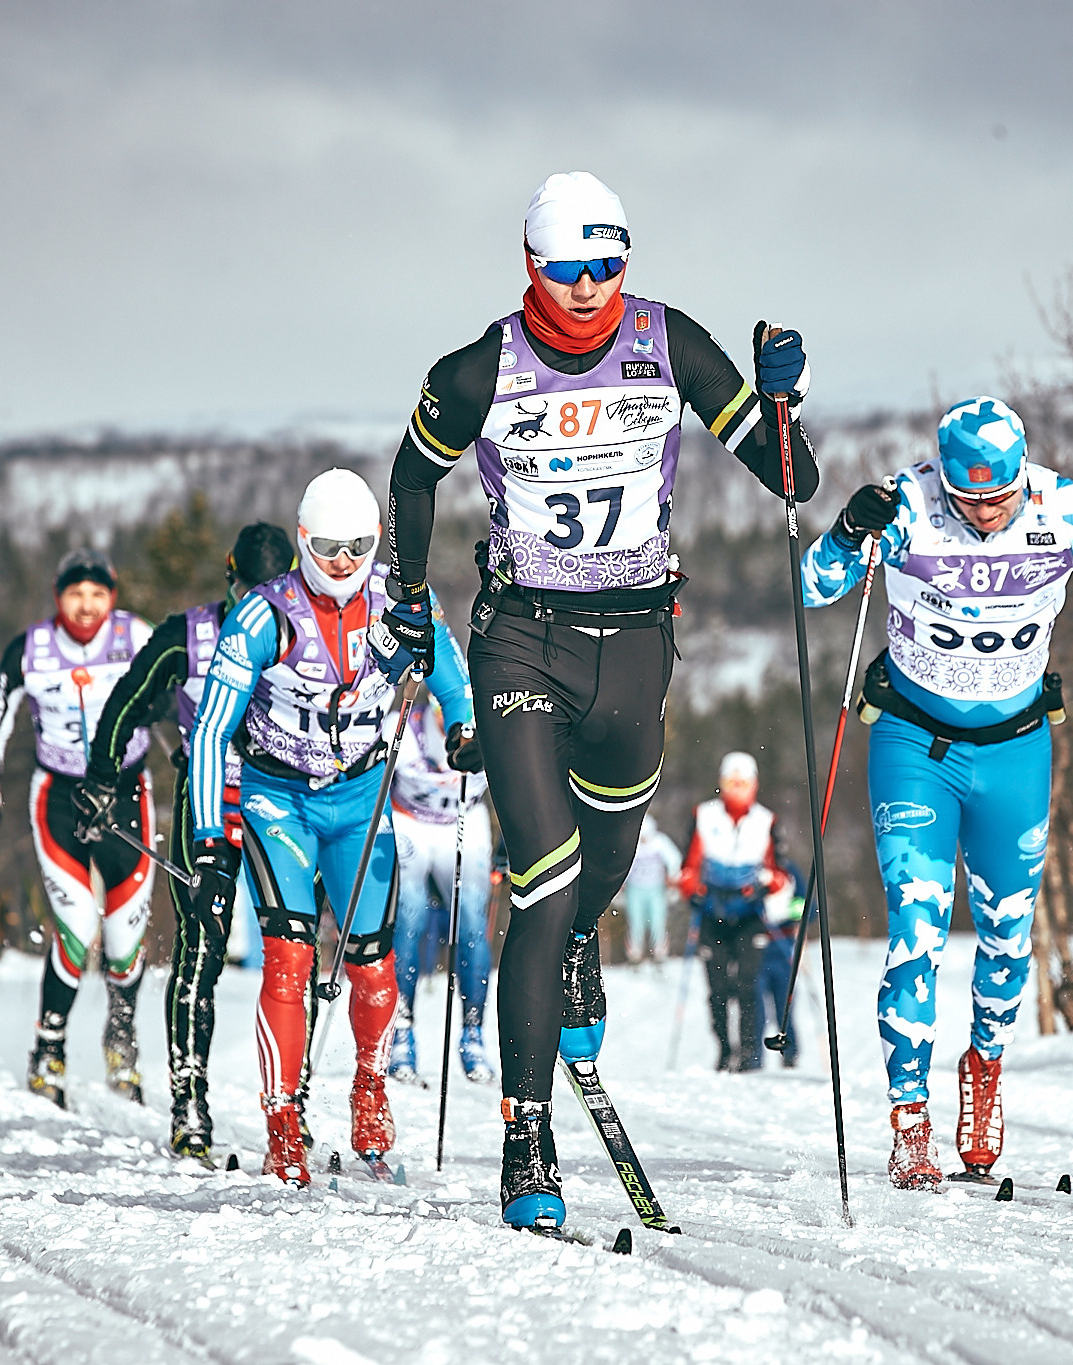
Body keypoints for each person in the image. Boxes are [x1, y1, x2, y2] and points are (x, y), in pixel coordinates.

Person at [377, 169, 819, 1231]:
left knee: (604, 864)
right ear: (529, 263)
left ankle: (580, 951)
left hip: (633, 644)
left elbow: (790, 480)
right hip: (520, 641)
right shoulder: (477, 366)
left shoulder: (669, 342)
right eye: (566, 267)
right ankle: (524, 1141)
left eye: (606, 264)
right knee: (542, 878)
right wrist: (403, 594)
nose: (587, 287)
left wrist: (778, 401)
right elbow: (408, 475)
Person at [802, 396, 1073, 1189]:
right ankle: (911, 1120)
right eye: (969, 501)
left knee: (1005, 938)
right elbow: (815, 587)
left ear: (1021, 475)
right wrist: (851, 531)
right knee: (916, 930)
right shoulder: (908, 506)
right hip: (913, 747)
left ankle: (984, 1071)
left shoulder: (1064, 506)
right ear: (945, 482)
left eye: (999, 498)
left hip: (1014, 754)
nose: (986, 515)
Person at [184, 469, 474, 1188]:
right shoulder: (262, 615)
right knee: (288, 956)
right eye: (328, 546)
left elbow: (445, 666)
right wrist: (205, 834)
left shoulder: (399, 601)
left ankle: (369, 1085)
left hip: (360, 796)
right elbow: (211, 730)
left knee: (372, 963)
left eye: (359, 545)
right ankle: (283, 1116)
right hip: (278, 795)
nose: (344, 561)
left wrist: (463, 723)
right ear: (303, 541)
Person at [71, 522, 297, 1163]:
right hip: (209, 805)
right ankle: (188, 1102)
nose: (262, 605)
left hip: (285, 802)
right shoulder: (190, 636)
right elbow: (125, 704)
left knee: (292, 950)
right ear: (232, 581)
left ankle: (290, 1103)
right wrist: (102, 775)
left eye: (273, 592)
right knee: (201, 949)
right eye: (250, 590)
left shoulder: (307, 627)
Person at [0, 548, 155, 1108]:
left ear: (113, 597)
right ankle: (48, 1048)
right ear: (58, 597)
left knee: (124, 942)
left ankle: (120, 1037)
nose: (86, 606)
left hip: (126, 791)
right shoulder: (30, 648)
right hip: (59, 797)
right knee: (75, 930)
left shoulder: (137, 636)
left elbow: (181, 698)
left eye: (98, 594)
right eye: (75, 594)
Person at [385, 682, 495, 1086]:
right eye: (444, 715)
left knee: (470, 925)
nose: (455, 727)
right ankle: (401, 1030)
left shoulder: (491, 730)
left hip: (464, 823)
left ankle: (472, 1032)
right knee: (409, 918)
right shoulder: (404, 730)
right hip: (410, 822)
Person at [678, 752, 792, 1073]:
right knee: (717, 990)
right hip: (713, 912)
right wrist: (694, 892)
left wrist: (766, 884)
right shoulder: (704, 815)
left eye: (743, 783)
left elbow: (781, 874)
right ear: (721, 783)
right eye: (731, 782)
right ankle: (725, 1049)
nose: (737, 789)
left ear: (754, 785)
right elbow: (687, 868)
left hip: (749, 914)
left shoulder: (766, 821)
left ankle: (748, 1054)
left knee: (747, 985)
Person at [756, 860, 806, 1068]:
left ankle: (790, 1053)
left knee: (785, 1004)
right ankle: (752, 1058)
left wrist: (792, 914)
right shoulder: (749, 867)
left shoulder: (789, 869)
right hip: (755, 948)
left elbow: (806, 904)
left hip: (782, 946)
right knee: (755, 1007)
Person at [620, 812, 681, 964]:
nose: (644, 841)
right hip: (635, 890)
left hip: (656, 889)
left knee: (657, 921)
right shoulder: (631, 842)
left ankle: (660, 953)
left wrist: (673, 877)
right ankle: (634, 954)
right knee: (636, 922)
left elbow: (674, 858)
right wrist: (619, 885)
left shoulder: (660, 842)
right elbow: (621, 864)